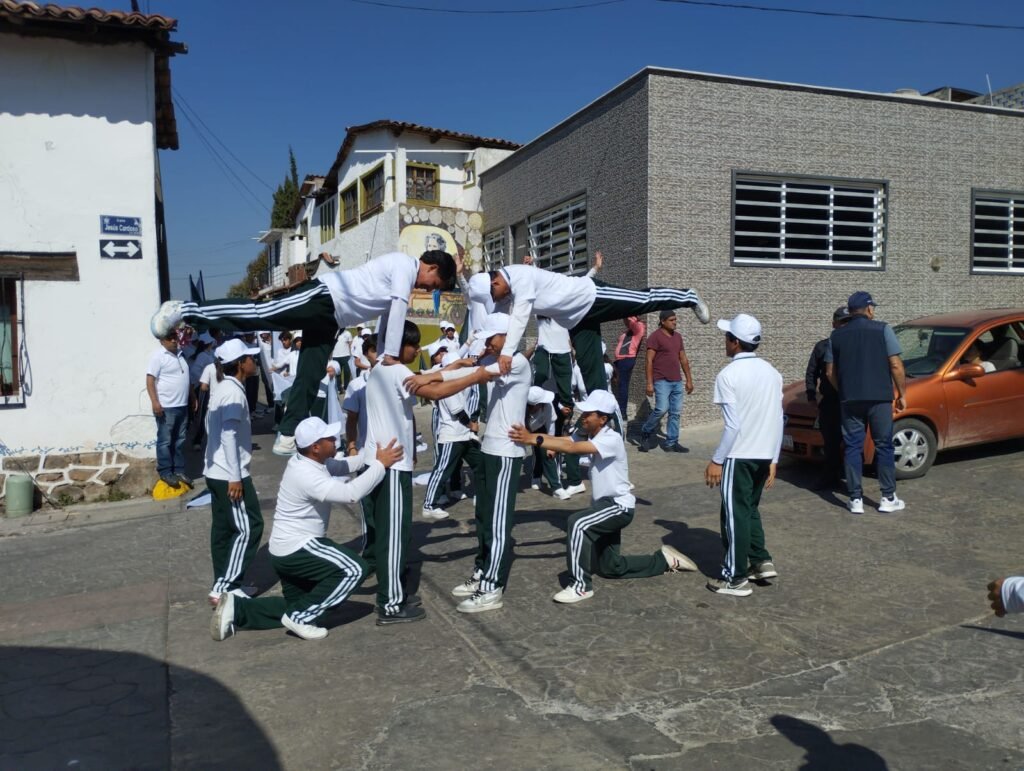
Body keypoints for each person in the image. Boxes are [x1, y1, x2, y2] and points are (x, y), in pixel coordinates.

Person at [149, 250, 457, 457]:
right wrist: (390, 355)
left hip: (333, 319)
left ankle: (287, 431)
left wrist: (385, 357)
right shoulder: (405, 264)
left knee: (311, 374)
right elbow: (400, 307)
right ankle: (187, 309)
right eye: (435, 284)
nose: (429, 289)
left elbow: (391, 317)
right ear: (431, 267)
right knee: (262, 312)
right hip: (323, 297)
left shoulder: (401, 282)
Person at [210, 417, 404, 642]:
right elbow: (350, 494)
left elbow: (345, 465)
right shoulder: (306, 475)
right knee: (354, 569)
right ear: (315, 447)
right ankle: (300, 619)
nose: (335, 440)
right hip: (298, 549)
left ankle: (238, 609)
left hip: (283, 551)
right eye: (329, 438)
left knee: (298, 604)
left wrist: (371, 456)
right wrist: (381, 465)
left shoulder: (308, 461)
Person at [508, 389, 698, 603]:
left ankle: (580, 587)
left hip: (618, 507)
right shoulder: (592, 434)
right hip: (603, 507)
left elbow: (570, 446)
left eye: (588, 414)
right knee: (611, 567)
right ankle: (664, 561)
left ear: (603, 418)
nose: (583, 417)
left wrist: (530, 438)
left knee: (577, 524)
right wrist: (553, 446)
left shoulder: (611, 438)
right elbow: (566, 440)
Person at [363, 320, 495, 625]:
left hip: (386, 463)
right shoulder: (395, 371)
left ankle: (392, 590)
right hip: (393, 465)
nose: (416, 351)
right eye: (414, 345)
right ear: (402, 345)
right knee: (395, 536)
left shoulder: (384, 370)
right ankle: (390, 604)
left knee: (390, 534)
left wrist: (459, 366)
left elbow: (427, 378)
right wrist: (475, 375)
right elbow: (436, 391)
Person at [406, 312, 530, 614]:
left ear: (505, 336)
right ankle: (482, 571)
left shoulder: (515, 363)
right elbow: (460, 371)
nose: (486, 344)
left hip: (506, 453)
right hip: (489, 448)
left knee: (499, 523)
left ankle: (492, 587)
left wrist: (430, 379)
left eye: (491, 338)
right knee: (484, 517)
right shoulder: (495, 360)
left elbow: (466, 377)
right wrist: (429, 375)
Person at [469, 252, 709, 401]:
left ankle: (688, 296)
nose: (499, 301)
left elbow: (519, 318)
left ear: (496, 281)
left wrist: (508, 352)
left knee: (643, 301)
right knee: (592, 377)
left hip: (592, 296)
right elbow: (497, 320)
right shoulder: (504, 290)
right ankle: (605, 428)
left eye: (496, 296)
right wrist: (480, 351)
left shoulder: (520, 277)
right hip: (576, 321)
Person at [704, 314, 782, 597]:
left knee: (733, 514)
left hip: (739, 455)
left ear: (735, 342)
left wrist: (717, 460)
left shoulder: (728, 375)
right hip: (763, 453)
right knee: (749, 509)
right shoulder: (773, 372)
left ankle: (734, 577)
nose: (724, 341)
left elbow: (733, 425)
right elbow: (778, 417)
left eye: (727, 337)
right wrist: (774, 458)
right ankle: (761, 561)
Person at [825, 291, 907, 515]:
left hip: (850, 399)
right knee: (884, 445)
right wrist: (902, 393)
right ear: (869, 309)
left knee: (852, 446)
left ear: (850, 312)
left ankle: (855, 499)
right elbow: (896, 365)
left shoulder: (836, 336)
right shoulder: (883, 329)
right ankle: (888, 497)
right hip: (880, 397)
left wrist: (843, 390)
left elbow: (830, 371)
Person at [204, 338, 263, 607]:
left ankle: (229, 583)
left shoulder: (223, 389)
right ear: (241, 364)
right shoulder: (233, 393)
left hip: (216, 471)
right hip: (229, 473)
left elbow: (211, 429)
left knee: (225, 531)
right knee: (249, 527)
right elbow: (228, 435)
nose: (255, 361)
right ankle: (225, 586)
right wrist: (235, 476)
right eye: (251, 358)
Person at [421, 343, 481, 523]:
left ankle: (483, 495)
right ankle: (429, 505)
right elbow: (458, 411)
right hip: (452, 436)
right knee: (442, 470)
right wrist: (471, 424)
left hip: (464, 435)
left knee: (482, 465)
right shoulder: (447, 386)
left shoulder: (462, 383)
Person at [805, 306, 850, 489]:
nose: (844, 325)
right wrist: (811, 395)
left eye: (848, 322)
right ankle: (830, 477)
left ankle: (849, 478)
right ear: (834, 323)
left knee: (851, 442)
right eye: (842, 321)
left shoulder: (855, 346)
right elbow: (811, 373)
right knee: (830, 443)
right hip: (830, 402)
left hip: (850, 401)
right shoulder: (822, 346)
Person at [146, 329, 195, 489]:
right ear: (162, 340)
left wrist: (192, 397)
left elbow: (187, 379)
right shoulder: (158, 356)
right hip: (166, 407)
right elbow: (150, 380)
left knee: (180, 440)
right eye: (170, 338)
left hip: (182, 405)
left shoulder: (181, 354)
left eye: (175, 337)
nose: (174, 341)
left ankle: (179, 470)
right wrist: (155, 402)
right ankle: (166, 472)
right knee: (165, 441)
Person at [639, 310, 693, 454]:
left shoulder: (678, 337)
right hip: (661, 380)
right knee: (661, 409)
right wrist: (649, 383)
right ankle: (646, 431)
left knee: (675, 413)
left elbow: (683, 359)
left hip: (676, 381)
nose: (674, 322)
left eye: (675, 319)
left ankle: (671, 442)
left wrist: (689, 379)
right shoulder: (655, 337)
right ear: (662, 321)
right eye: (671, 320)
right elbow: (649, 360)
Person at [612, 316, 645, 418]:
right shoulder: (629, 330)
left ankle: (622, 412)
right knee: (616, 382)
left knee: (623, 385)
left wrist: (630, 317)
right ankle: (618, 407)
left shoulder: (638, 326)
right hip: (620, 360)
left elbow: (635, 325)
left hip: (626, 359)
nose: (624, 322)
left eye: (626, 320)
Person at [332, 327, 353, 393]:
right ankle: (339, 388)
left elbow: (350, 344)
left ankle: (346, 387)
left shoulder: (348, 333)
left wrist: (350, 354)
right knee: (338, 373)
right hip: (335, 356)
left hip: (346, 355)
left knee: (347, 371)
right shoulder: (334, 333)